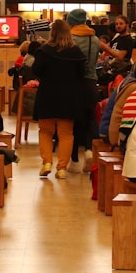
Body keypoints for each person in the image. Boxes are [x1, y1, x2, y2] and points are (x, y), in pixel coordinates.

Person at [31, 19, 87, 179]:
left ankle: (46, 162)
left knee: (46, 132)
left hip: (47, 95)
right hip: (69, 97)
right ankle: (62, 168)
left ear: (52, 32)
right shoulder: (76, 52)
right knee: (66, 134)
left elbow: (36, 70)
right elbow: (81, 74)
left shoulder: (44, 50)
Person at [66, 8, 99, 171]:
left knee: (72, 122)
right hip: (91, 83)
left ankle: (74, 160)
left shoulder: (70, 39)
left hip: (74, 84)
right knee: (89, 118)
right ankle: (88, 151)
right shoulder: (95, 39)